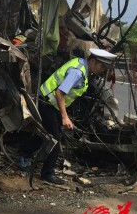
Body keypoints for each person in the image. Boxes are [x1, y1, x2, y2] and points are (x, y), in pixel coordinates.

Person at [34, 48, 117, 185]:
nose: (102, 70)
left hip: (48, 102)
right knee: (55, 139)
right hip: (48, 104)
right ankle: (47, 173)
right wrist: (65, 117)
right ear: (93, 61)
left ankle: (23, 155)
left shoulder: (80, 63)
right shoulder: (78, 72)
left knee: (45, 134)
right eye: (101, 66)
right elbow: (60, 93)